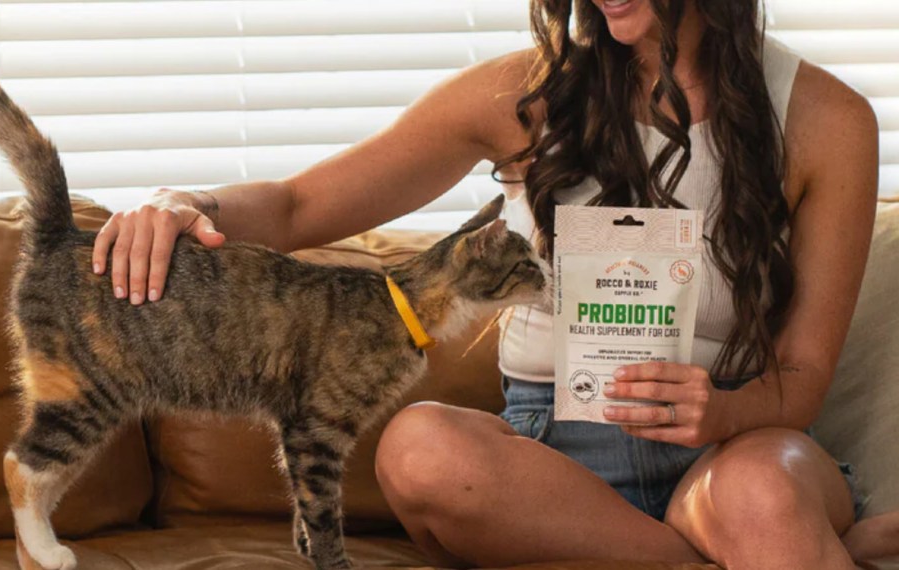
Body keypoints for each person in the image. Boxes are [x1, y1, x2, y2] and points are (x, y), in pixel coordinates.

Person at [93, 0, 899, 568]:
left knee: (763, 494)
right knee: (420, 450)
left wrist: (721, 410)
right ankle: (719, 558)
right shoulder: (524, 94)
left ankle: (727, 539)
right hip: (548, 461)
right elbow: (302, 204)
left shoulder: (828, 121)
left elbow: (800, 379)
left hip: (735, 446)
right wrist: (187, 202)